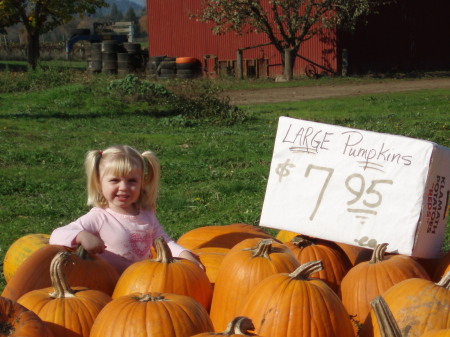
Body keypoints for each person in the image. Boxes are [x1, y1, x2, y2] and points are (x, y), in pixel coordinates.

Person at [49, 145, 202, 274]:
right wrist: (81, 236)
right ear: (99, 182)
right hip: (108, 283)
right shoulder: (99, 217)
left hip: (141, 281)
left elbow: (164, 242)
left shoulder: (147, 215)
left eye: (132, 181)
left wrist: (184, 254)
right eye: (115, 180)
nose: (124, 187)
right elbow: (57, 235)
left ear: (142, 183)